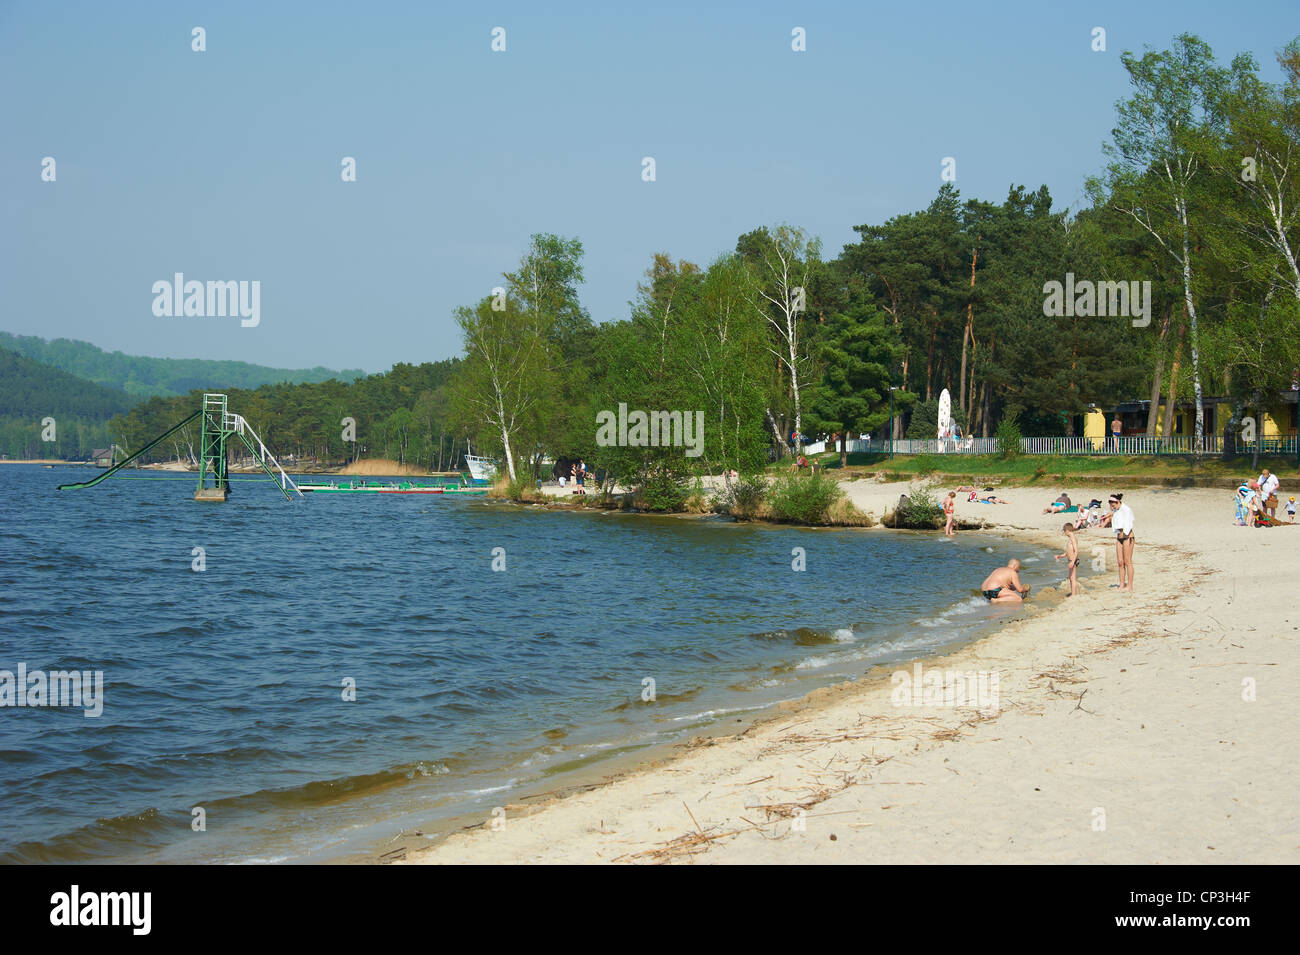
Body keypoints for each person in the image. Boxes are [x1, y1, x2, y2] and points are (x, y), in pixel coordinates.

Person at [1109, 494, 1135, 592]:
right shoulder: (1116, 510)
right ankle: (1121, 584)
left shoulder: (1126, 509)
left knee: (1127, 561)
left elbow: (1129, 523)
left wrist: (1124, 536)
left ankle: (1130, 585)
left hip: (1128, 537)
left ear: (1118, 502)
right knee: (1120, 562)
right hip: (1119, 537)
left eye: (1113, 504)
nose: (1112, 506)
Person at [1054, 522, 1080, 597]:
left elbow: (1076, 551)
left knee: (1073, 578)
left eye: (1064, 531)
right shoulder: (1070, 539)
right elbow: (1067, 552)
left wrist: (1073, 561)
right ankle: (1073, 593)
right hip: (1070, 560)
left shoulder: (1073, 539)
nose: (1064, 533)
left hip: (1073, 560)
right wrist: (1059, 556)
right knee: (1070, 577)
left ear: (1067, 530)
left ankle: (1074, 594)